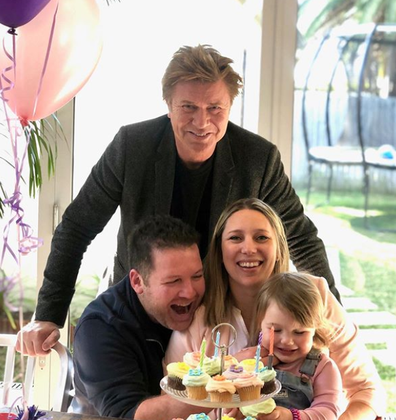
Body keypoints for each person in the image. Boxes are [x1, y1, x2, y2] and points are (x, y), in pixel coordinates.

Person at [17, 44, 340, 356]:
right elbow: (76, 229)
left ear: (229, 108)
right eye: (188, 107)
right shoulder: (132, 146)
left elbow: (301, 238)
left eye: (215, 108)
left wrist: (333, 322)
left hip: (217, 317)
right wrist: (48, 315)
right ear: (169, 105)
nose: (202, 122)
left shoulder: (258, 158)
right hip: (142, 308)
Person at [165, 198, 386, 420]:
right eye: (235, 238)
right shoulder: (201, 318)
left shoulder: (314, 296)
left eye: (261, 237)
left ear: (280, 248)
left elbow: (366, 391)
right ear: (219, 252)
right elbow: (176, 397)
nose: (249, 248)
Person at [70, 214, 207, 419]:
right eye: (173, 281)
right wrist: (221, 389)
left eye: (197, 276)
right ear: (137, 281)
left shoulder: (201, 306)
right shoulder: (100, 327)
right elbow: (127, 413)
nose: (190, 292)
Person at [252, 272, 343, 420]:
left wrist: (291, 416)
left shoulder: (322, 367)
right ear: (260, 323)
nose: (287, 341)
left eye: (300, 332)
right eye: (277, 330)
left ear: (315, 329)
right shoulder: (252, 362)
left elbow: (329, 410)